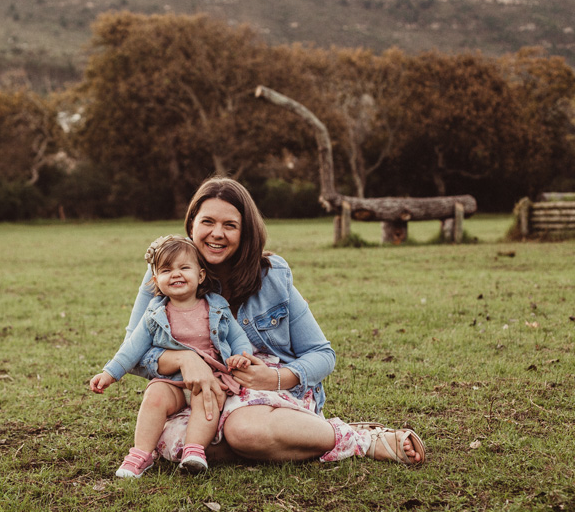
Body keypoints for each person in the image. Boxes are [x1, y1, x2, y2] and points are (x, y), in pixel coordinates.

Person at [124, 177, 425, 467]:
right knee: (169, 441)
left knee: (243, 431)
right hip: (201, 396)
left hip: (270, 393)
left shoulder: (272, 275)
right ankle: (287, 437)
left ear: (245, 232)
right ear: (192, 225)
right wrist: (184, 360)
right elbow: (132, 353)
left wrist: (276, 378)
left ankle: (362, 439)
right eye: (207, 222)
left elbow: (323, 354)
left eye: (230, 225)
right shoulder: (167, 274)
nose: (217, 233)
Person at [90, 235, 258, 477]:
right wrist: (109, 374)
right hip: (172, 382)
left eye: (184, 268)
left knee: (207, 398)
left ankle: (194, 451)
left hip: (209, 377)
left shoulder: (217, 306)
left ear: (200, 276)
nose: (176, 274)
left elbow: (237, 336)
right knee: (154, 396)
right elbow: (132, 348)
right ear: (156, 280)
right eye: (167, 270)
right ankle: (140, 454)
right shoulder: (155, 313)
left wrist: (242, 356)